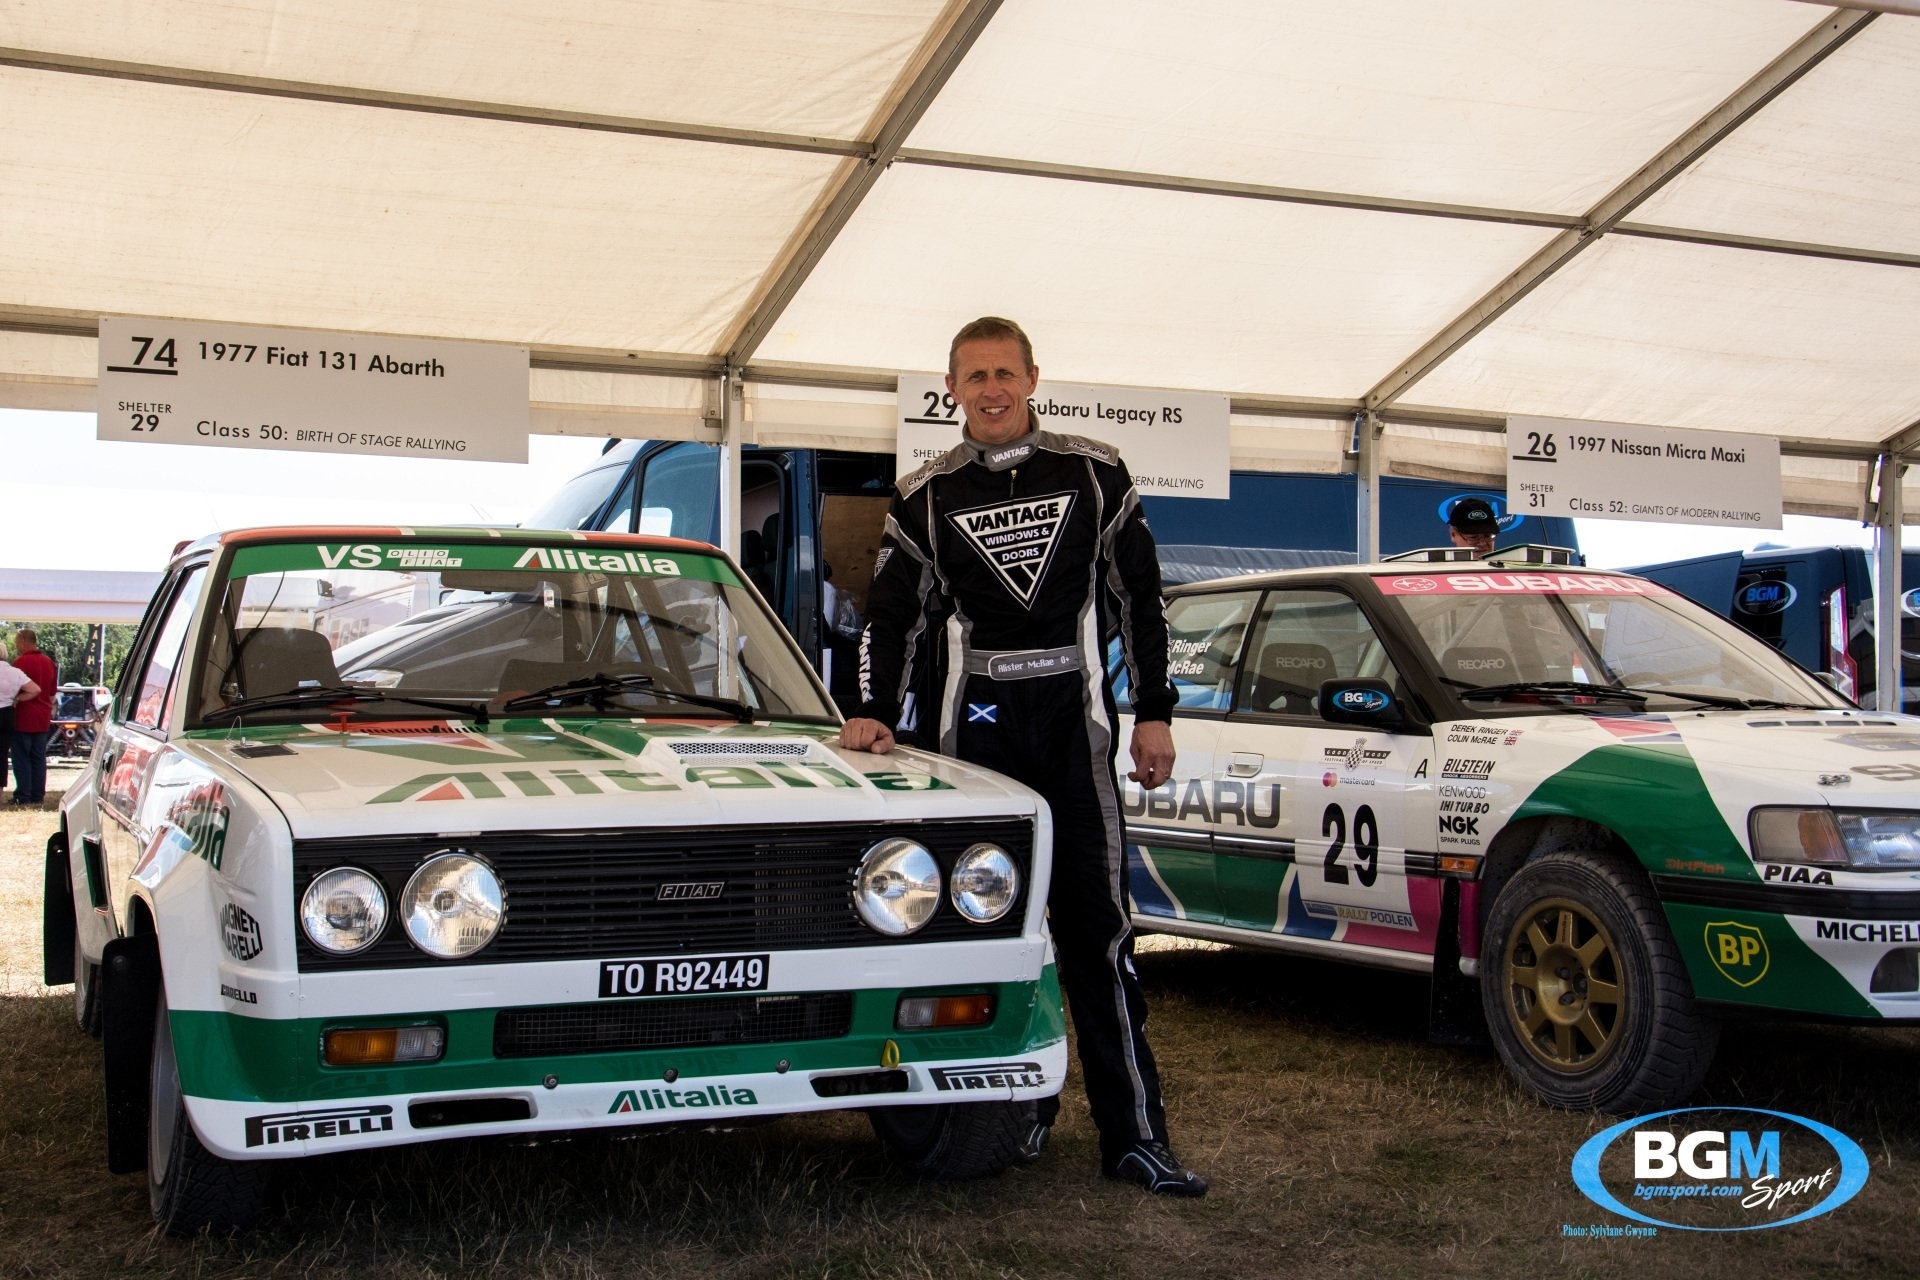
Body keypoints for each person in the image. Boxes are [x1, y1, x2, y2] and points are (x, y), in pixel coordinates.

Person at [839, 317, 1205, 1197]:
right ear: (951, 388)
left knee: (1100, 932)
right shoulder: (925, 492)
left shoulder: (1094, 469)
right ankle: (1016, 1115)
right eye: (976, 376)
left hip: (1076, 726)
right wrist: (870, 712)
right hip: (977, 734)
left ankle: (1136, 1136)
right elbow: (889, 616)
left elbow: (1140, 598)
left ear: (1034, 378)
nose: (993, 388)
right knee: (991, 932)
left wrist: (1155, 712)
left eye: (1006, 372)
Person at [10, 629, 56, 806]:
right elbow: (52, 693)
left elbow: (14, 690)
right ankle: (38, 794)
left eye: (16, 641)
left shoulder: (20, 662)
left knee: (21, 756)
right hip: (42, 717)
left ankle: (24, 794)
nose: (15, 645)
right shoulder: (49, 662)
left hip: (23, 716)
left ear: (23, 641)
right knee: (38, 756)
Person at [0, 652, 40, 801]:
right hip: (7, 713)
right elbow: (35, 689)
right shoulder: (14, 672)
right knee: (2, 755)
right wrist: (17, 697)